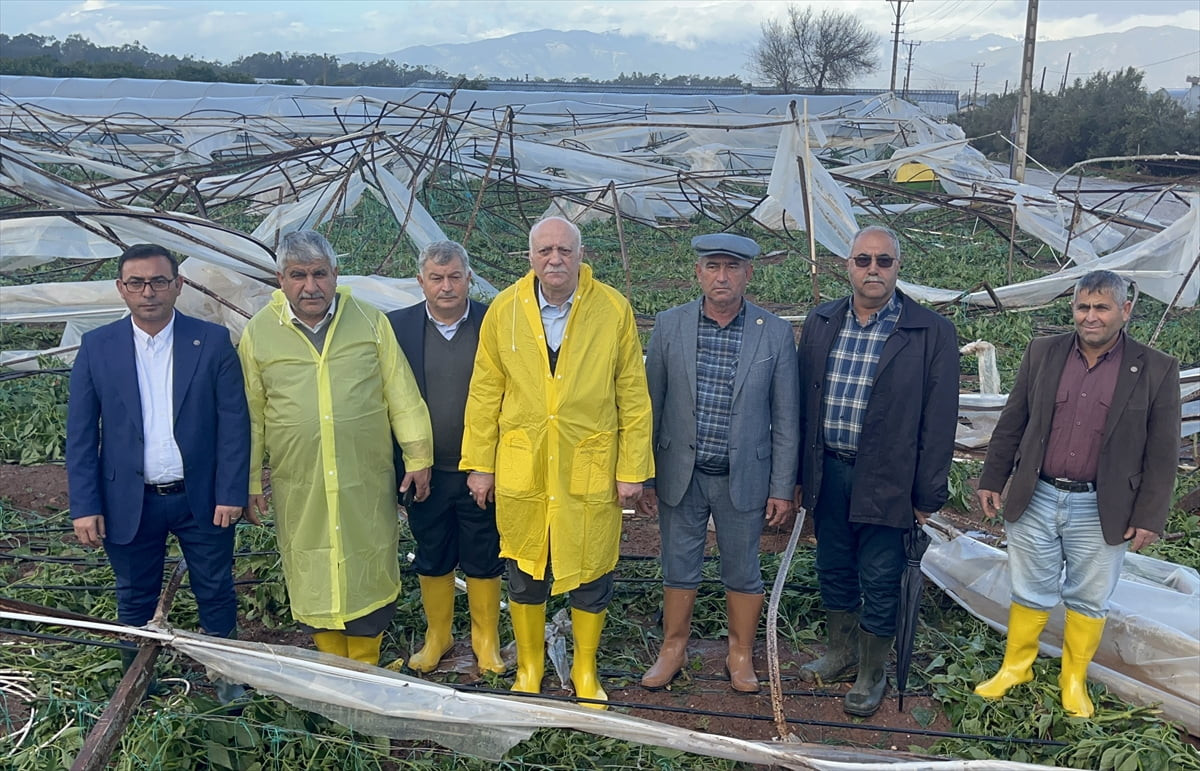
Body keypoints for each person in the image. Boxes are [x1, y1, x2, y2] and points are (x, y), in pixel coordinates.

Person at [460, 216, 653, 709]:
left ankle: (585, 670)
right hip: (525, 467)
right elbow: (485, 392)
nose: (555, 260)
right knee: (526, 567)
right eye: (545, 250)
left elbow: (632, 392)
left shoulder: (612, 310)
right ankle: (530, 667)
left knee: (590, 568)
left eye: (565, 250)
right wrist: (480, 464)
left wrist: (632, 467)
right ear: (529, 257)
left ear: (581, 254)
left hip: (586, 465)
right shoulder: (504, 310)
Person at [974, 270, 1180, 718]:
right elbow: (1014, 421)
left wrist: (1149, 515)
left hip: (1101, 504)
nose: (1090, 316)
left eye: (1101, 307)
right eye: (1083, 307)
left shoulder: (1155, 369)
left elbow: (1163, 452)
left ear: (1125, 311)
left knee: (1089, 596)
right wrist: (992, 478)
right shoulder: (1043, 353)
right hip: (1039, 493)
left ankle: (1073, 678)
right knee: (1030, 586)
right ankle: (1016, 666)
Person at [66, 243, 251, 703]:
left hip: (202, 497)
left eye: (158, 281)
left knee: (215, 588)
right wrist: (85, 505)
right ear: (121, 289)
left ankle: (226, 679)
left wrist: (231, 492)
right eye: (137, 283)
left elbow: (234, 424)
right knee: (134, 595)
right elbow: (82, 435)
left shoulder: (210, 341)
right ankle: (138, 687)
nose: (148, 292)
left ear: (178, 285)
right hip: (129, 499)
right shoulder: (98, 346)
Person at [240, 230, 434, 667]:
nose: (311, 287)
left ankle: (365, 664)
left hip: (363, 476)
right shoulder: (260, 334)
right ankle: (333, 667)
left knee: (369, 558)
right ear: (280, 280)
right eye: (298, 275)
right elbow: (251, 415)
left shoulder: (368, 322)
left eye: (319, 274)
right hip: (301, 480)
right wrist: (250, 480)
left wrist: (419, 457)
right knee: (312, 565)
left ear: (335, 275)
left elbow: (402, 396)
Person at [795, 225, 959, 716]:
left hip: (889, 480)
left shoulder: (929, 331)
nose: (873, 270)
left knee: (882, 576)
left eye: (883, 261)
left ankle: (871, 670)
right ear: (847, 266)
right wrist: (800, 475)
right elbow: (805, 405)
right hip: (829, 471)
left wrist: (928, 495)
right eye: (863, 260)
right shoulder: (822, 321)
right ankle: (842, 652)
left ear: (897, 268)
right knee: (833, 568)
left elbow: (939, 420)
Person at [638, 233, 799, 693]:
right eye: (713, 266)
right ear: (698, 272)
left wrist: (782, 486)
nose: (722, 276)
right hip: (680, 474)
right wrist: (645, 474)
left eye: (732, 267)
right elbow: (651, 403)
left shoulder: (774, 332)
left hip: (744, 476)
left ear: (749, 273)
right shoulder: (670, 325)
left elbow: (786, 417)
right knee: (678, 563)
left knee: (743, 567)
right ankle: (673, 647)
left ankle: (740, 653)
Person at [386, 241, 504, 674]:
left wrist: (488, 464)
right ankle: (439, 635)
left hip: (481, 468)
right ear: (421, 282)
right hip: (425, 471)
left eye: (455, 276)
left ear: (469, 277)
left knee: (483, 549)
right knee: (431, 549)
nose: (446, 286)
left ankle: (484, 639)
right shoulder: (397, 328)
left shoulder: (494, 323)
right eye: (436, 278)